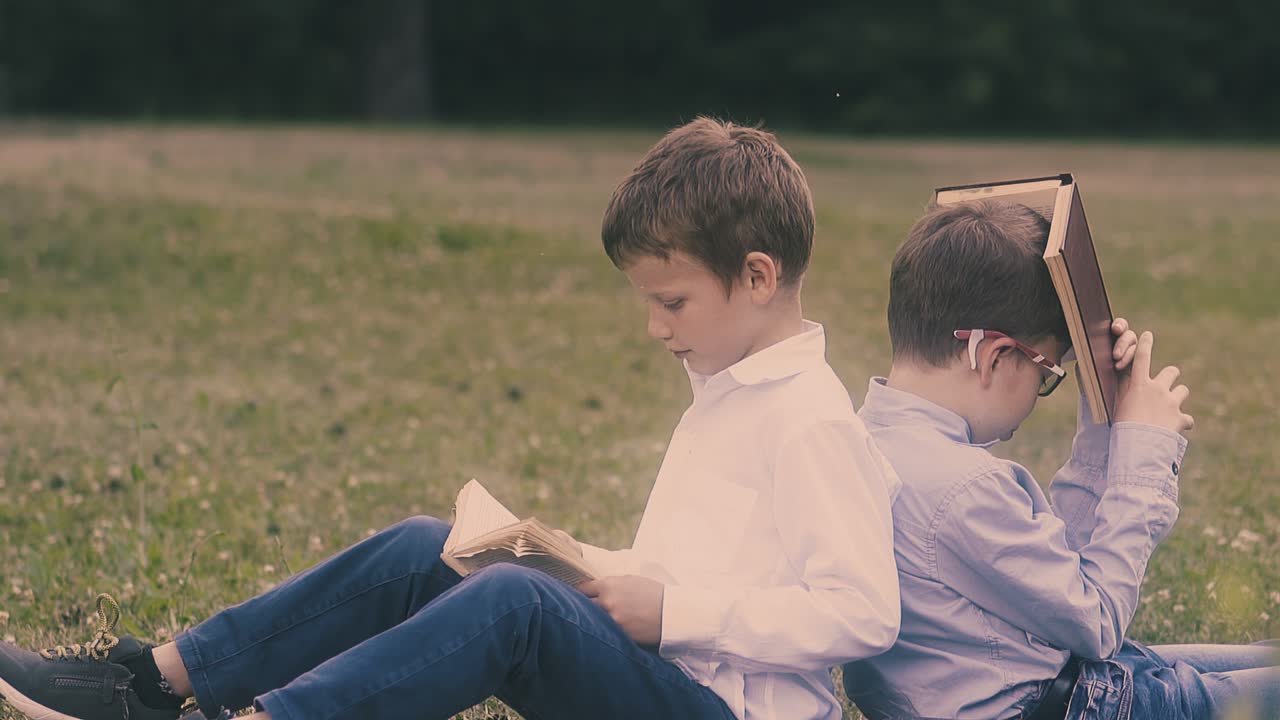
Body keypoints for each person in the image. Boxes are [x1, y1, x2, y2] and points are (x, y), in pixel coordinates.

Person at [0, 117, 902, 720]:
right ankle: (151, 683)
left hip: (724, 706)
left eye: (671, 301)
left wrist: (676, 613)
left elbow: (862, 615)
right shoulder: (730, 389)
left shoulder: (811, 420)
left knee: (512, 607)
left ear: (754, 276)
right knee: (427, 547)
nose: (655, 328)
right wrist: (585, 567)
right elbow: (700, 565)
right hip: (671, 667)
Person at [841, 200, 1278, 719]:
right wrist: (1142, 457)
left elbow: (1055, 578)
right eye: (1046, 372)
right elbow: (1095, 621)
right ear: (994, 356)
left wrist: (1103, 421)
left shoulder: (863, 441)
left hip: (1064, 683)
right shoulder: (965, 488)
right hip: (1070, 706)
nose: (1041, 388)